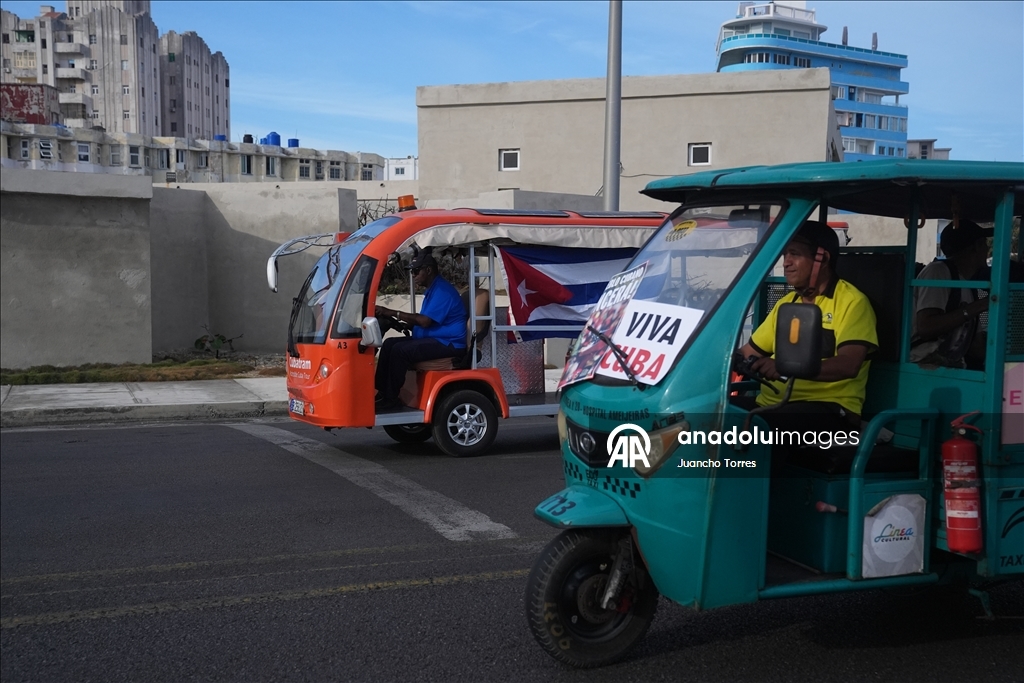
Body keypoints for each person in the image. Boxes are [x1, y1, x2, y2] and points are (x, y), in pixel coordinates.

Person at [734, 220, 878, 435]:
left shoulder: (853, 303)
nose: (786, 263)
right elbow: (748, 352)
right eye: (785, 255)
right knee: (711, 413)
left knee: (758, 428)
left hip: (828, 409)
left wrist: (785, 367)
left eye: (794, 254)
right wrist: (727, 359)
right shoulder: (786, 304)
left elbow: (848, 365)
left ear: (822, 258)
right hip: (771, 404)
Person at [373, 251, 468, 410]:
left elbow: (424, 321)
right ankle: (382, 393)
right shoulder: (433, 289)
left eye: (416, 271)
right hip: (436, 339)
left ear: (428, 270)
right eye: (412, 272)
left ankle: (391, 398)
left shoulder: (442, 291)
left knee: (400, 351)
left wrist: (392, 312)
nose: (413, 275)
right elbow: (427, 320)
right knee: (389, 344)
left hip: (449, 344)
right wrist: (404, 324)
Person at [910, 220, 992, 369]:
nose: (988, 248)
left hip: (951, 368)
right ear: (977, 246)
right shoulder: (938, 271)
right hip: (923, 366)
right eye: (985, 244)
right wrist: (980, 306)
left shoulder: (969, 286)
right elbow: (926, 327)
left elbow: (977, 348)